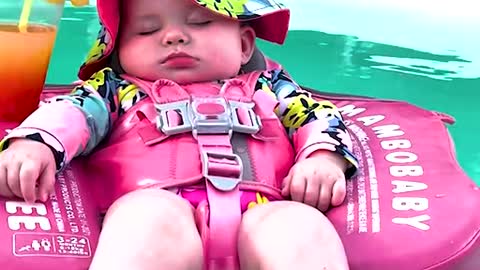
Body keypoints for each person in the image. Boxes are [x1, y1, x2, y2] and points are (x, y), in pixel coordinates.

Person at [0, 0, 359, 269]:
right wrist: (35, 145)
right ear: (119, 53)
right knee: (146, 217)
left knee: (299, 225)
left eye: (201, 21)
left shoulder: (268, 87)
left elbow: (319, 117)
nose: (173, 36)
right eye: (145, 30)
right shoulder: (118, 90)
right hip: (158, 205)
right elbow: (72, 111)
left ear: (245, 45)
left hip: (266, 209)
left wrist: (323, 158)